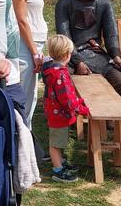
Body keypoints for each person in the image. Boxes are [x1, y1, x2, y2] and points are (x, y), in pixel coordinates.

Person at [55, 0, 121, 97]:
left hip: (96, 54)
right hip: (71, 56)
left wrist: (116, 57)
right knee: (60, 79)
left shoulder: (104, 3)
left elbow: (111, 34)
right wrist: (78, 61)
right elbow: (64, 37)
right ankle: (70, 114)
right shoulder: (64, 3)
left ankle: (108, 114)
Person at [6, 0, 48, 130]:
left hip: (32, 46)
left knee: (30, 97)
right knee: (24, 97)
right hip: (26, 48)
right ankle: (21, 139)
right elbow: (21, 20)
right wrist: (34, 52)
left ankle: (25, 140)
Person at [42, 35, 88, 183]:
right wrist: (80, 108)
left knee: (59, 140)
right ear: (67, 55)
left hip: (55, 112)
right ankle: (57, 170)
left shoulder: (51, 69)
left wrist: (77, 101)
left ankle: (60, 162)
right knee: (55, 144)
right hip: (58, 115)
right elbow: (67, 99)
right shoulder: (60, 74)